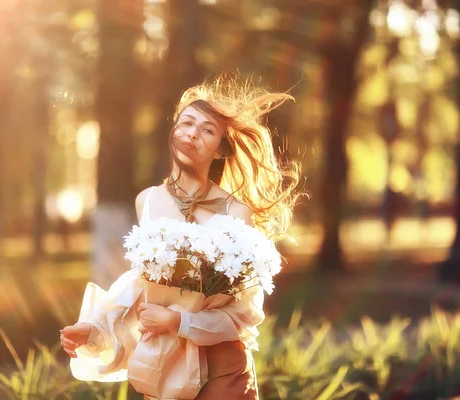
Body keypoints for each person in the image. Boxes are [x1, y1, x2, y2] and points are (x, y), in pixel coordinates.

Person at [59, 74, 300, 399]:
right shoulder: (148, 200)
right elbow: (140, 282)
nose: (192, 134)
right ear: (174, 129)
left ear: (219, 150)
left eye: (207, 130)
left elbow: (243, 312)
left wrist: (178, 321)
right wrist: (95, 327)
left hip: (222, 370)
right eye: (187, 122)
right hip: (164, 368)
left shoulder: (236, 211)